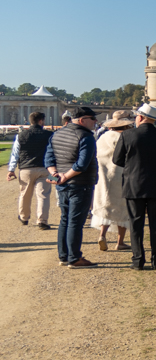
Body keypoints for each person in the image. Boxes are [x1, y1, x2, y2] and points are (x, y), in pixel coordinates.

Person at [112, 104, 156, 270]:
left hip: (134, 184)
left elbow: (117, 160)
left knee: (136, 224)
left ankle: (138, 260)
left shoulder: (128, 135)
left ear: (140, 117)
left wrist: (132, 164)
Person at [45, 106, 100, 268]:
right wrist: (65, 176)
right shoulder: (86, 136)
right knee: (75, 221)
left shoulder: (57, 134)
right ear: (82, 120)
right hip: (79, 183)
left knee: (65, 219)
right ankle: (74, 257)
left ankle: (64, 255)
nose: (95, 121)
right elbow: (81, 164)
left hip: (62, 183)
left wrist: (55, 174)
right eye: (93, 118)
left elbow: (48, 157)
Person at [91, 110, 135, 252]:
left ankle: (102, 235)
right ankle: (120, 242)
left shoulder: (103, 137)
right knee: (122, 208)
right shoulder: (125, 137)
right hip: (121, 174)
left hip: (103, 175)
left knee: (106, 205)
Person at [7, 111, 53, 229]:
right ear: (41, 121)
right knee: (43, 195)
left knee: (25, 194)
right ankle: (42, 220)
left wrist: (11, 169)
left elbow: (15, 154)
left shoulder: (20, 135)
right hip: (45, 168)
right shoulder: (49, 135)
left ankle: (24, 217)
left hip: (26, 169)